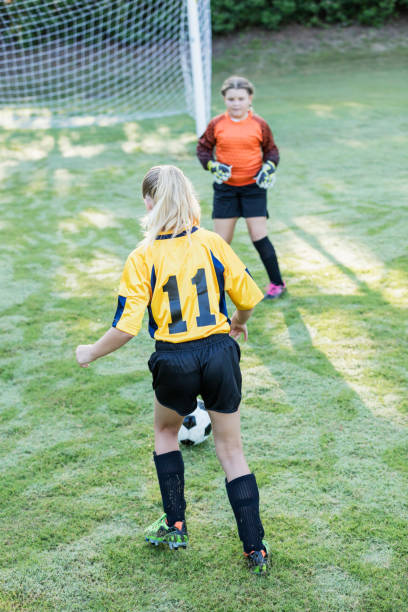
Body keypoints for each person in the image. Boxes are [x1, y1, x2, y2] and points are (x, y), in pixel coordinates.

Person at [75, 165, 269, 574]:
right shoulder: (213, 242)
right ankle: (255, 548)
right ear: (189, 199)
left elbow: (125, 328)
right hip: (219, 351)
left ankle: (176, 523)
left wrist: (91, 352)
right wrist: (239, 322)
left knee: (166, 431)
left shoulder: (142, 256)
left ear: (149, 202)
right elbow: (249, 295)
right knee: (231, 450)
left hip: (174, 357)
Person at [197, 75, 286, 299]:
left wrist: (269, 166)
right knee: (220, 242)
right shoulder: (216, 124)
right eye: (231, 99)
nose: (236, 103)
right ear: (224, 100)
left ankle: (277, 283)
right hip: (226, 190)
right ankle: (214, 286)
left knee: (259, 236)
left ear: (250, 98)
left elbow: (272, 151)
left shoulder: (259, 124)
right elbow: (203, 149)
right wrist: (211, 164)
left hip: (253, 188)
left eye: (241, 98)